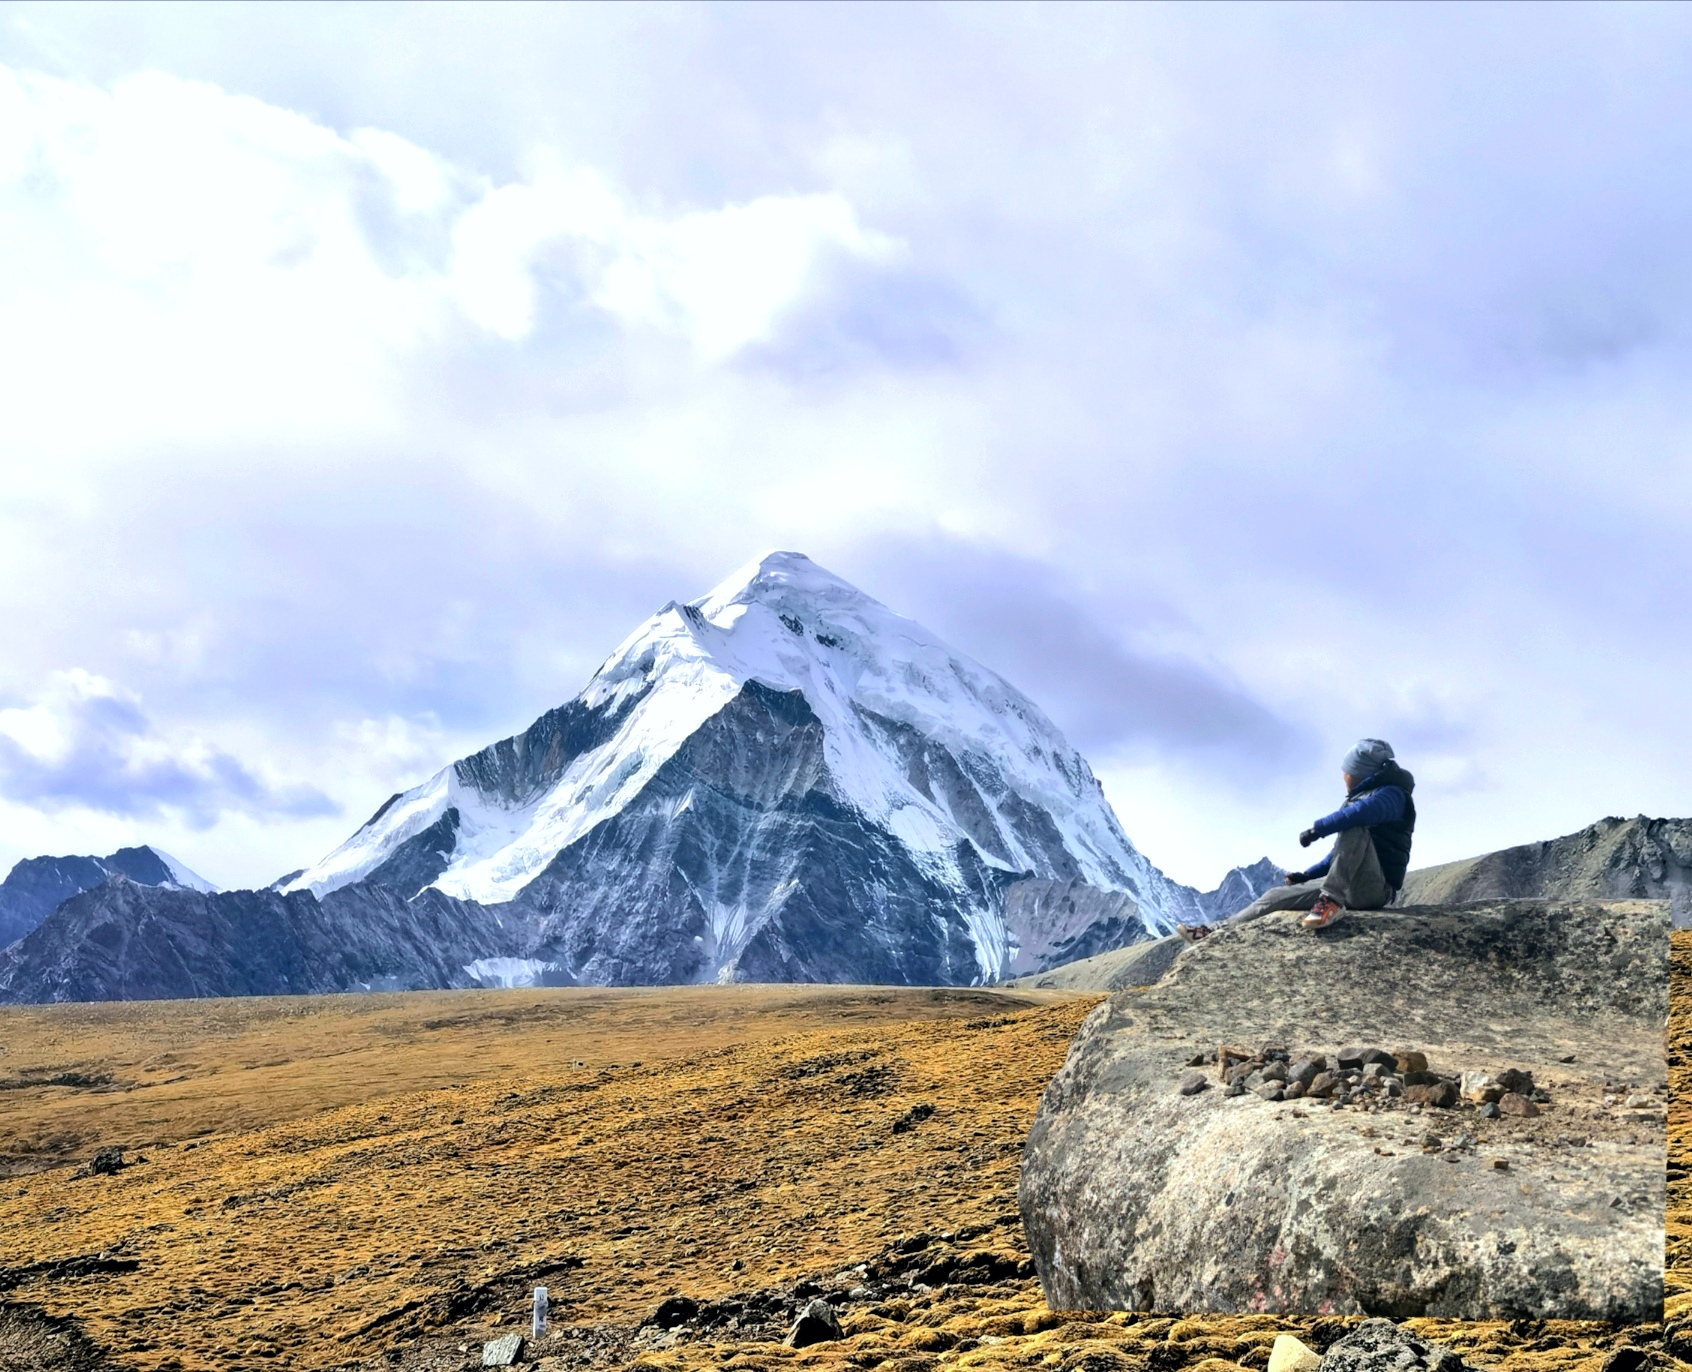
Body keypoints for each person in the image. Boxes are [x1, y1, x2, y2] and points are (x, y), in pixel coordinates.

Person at [1177, 738, 1417, 941]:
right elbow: (1341, 856)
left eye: (1348, 772)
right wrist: (1309, 875)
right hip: (1351, 885)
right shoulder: (1365, 797)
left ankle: (1330, 902)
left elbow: (1356, 817)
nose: (1344, 777)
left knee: (1352, 825)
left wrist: (1317, 830)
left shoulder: (1393, 796)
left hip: (1375, 889)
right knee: (1274, 897)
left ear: (1360, 772)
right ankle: (1214, 932)